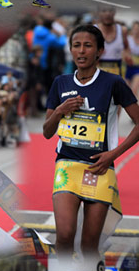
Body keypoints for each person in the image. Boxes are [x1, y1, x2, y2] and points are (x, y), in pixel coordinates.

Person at [43, 24, 139, 254]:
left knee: (89, 245)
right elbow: (47, 132)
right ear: (71, 50)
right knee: (64, 236)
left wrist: (113, 154)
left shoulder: (113, 82)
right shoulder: (61, 83)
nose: (82, 51)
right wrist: (60, 110)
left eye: (88, 46)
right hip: (66, 165)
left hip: (99, 168)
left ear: (100, 51)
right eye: (76, 46)